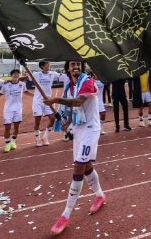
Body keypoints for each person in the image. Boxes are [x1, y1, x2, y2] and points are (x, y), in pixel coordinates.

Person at [45, 60, 106, 235]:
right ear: (67, 69)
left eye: (78, 64)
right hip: (78, 129)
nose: (76, 67)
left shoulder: (87, 81)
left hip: (90, 129)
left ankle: (65, 214)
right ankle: (100, 195)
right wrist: (67, 123)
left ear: (82, 67)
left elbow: (78, 102)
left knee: (78, 167)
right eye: (72, 65)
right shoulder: (71, 86)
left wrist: (55, 99)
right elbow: (72, 109)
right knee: (86, 166)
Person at [29, 61, 59, 147]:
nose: (49, 65)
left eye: (49, 64)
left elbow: (63, 76)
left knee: (52, 118)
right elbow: (26, 78)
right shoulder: (36, 74)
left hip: (48, 100)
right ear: (42, 66)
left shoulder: (53, 74)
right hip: (38, 101)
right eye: (47, 64)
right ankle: (38, 139)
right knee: (37, 121)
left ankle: (45, 137)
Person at [0, 69, 28, 152]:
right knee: (7, 127)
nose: (16, 75)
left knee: (16, 126)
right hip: (8, 109)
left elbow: (26, 92)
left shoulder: (22, 84)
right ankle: (7, 143)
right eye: (14, 74)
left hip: (18, 109)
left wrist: (37, 96)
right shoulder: (6, 85)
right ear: (11, 75)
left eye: (18, 74)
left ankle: (13, 142)